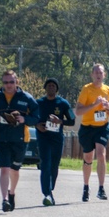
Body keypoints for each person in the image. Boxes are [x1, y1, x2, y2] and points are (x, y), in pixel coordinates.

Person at [0, 70, 39, 212]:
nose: (8, 85)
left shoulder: (26, 98)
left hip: (20, 139)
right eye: (5, 82)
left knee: (15, 169)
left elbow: (36, 116)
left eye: (11, 82)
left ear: (17, 82)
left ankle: (12, 192)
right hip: (1, 138)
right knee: (4, 169)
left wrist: (24, 119)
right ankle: (4, 200)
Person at [74, 64, 109, 202]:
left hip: (102, 127)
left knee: (101, 154)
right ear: (92, 75)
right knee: (88, 157)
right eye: (96, 72)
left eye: (101, 72)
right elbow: (78, 111)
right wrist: (94, 105)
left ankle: (101, 188)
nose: (98, 75)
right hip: (87, 127)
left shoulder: (108, 90)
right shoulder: (87, 89)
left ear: (104, 75)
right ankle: (86, 187)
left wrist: (108, 107)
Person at [36, 78, 76, 206]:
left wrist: (60, 121)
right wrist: (37, 125)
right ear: (45, 88)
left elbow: (73, 120)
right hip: (43, 138)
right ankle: (47, 193)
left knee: (54, 165)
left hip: (57, 139)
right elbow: (31, 117)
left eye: (53, 86)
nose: (51, 87)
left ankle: (50, 189)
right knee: (45, 164)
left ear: (56, 89)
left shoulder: (63, 103)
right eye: (49, 85)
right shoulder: (39, 103)